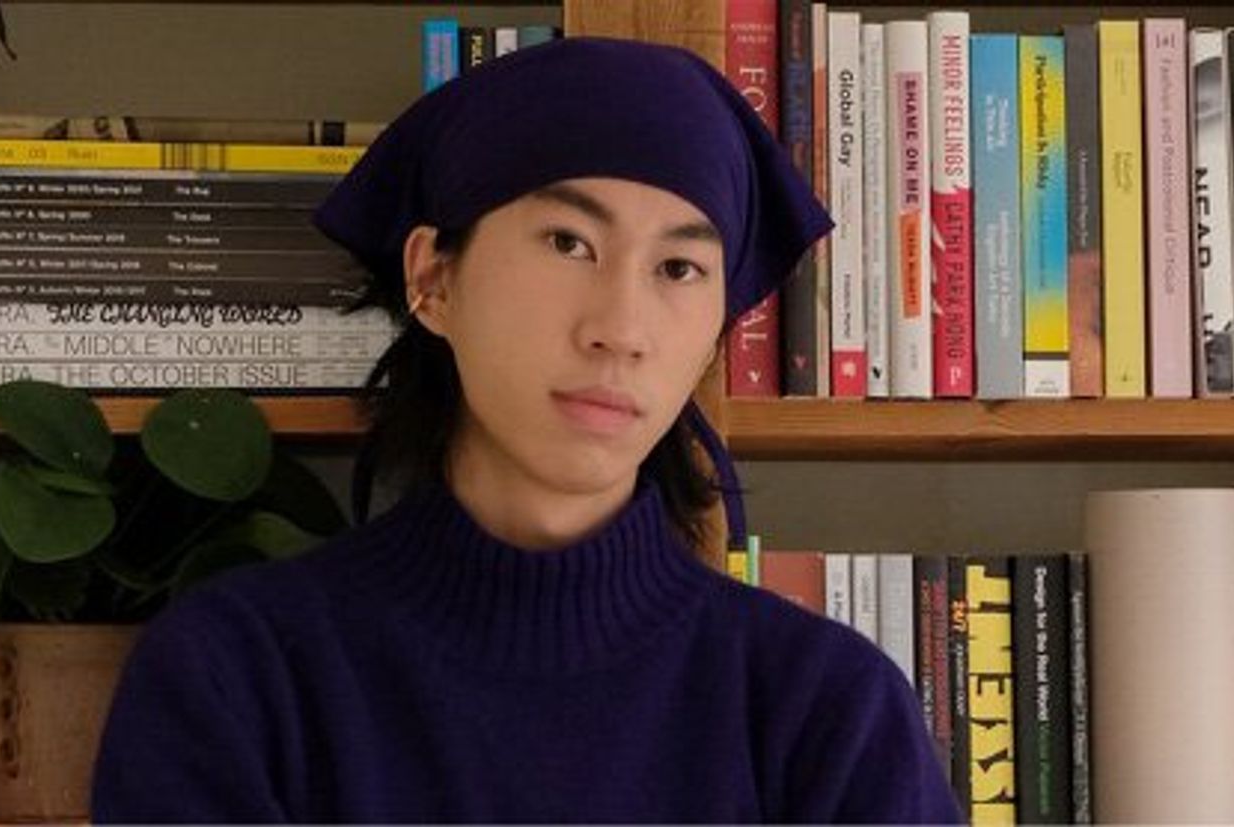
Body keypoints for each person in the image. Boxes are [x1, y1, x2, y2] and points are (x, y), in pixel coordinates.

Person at [90, 36, 962, 823]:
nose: (621, 327)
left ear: (714, 335)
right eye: (568, 242)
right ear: (433, 279)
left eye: (678, 267)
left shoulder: (828, 711)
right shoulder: (237, 678)